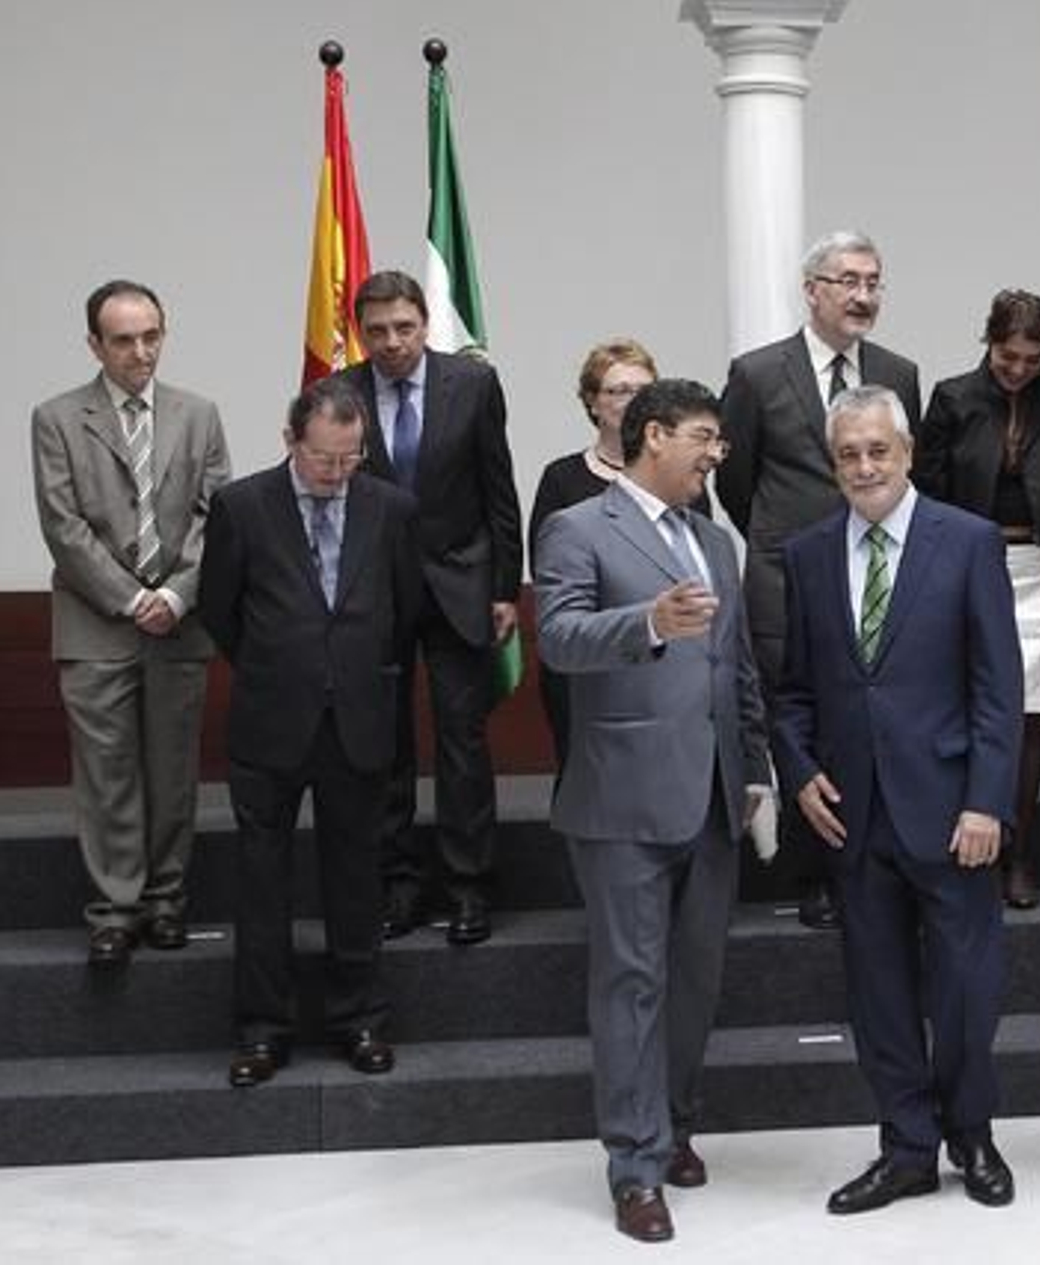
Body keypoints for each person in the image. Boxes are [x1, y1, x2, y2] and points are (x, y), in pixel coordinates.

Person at [775, 386, 1023, 1217]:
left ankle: (973, 1134)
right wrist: (800, 767)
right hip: (854, 812)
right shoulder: (807, 554)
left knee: (964, 991)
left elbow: (998, 687)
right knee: (877, 996)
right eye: (848, 454)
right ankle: (906, 1147)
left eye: (878, 450)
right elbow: (795, 688)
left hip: (954, 812)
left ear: (908, 452)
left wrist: (988, 800)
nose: (865, 467)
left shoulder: (968, 542)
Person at [534, 379, 770, 1245]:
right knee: (631, 981)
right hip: (621, 798)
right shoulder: (577, 527)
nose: (718, 454)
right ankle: (634, 1165)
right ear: (657, 435)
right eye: (706, 437)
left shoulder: (716, 539)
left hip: (714, 795)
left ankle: (671, 1125)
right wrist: (648, 622)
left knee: (695, 979)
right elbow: (557, 639)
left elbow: (736, 665)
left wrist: (758, 770)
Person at [200, 379, 421, 1089]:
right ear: (291, 439)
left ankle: (361, 1018)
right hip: (272, 716)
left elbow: (404, 608)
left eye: (350, 458)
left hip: (358, 717)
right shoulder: (242, 506)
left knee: (356, 875)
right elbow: (219, 609)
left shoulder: (390, 507)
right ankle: (263, 1029)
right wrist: (285, 664)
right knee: (263, 880)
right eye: (324, 458)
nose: (336, 472)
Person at [717, 229, 921, 932]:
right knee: (799, 722)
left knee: (861, 716)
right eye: (849, 281)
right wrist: (787, 544)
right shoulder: (758, 373)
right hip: (788, 578)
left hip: (877, 576)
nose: (863, 295)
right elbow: (736, 482)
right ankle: (816, 872)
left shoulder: (899, 371)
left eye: (873, 281)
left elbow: (901, 476)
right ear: (813, 290)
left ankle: (871, 859)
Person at [31, 279, 230, 966]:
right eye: (123, 339)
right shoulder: (56, 418)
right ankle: (116, 908)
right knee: (108, 771)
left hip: (179, 620)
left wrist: (175, 594)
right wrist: (128, 597)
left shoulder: (198, 414)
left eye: (151, 335)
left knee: (171, 768)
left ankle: (167, 900)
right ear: (95, 344)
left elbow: (215, 516)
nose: (140, 351)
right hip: (95, 622)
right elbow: (64, 526)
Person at [336, 270, 524, 946]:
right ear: (361, 331)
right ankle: (396, 886)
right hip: (373, 594)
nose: (392, 342)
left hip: (461, 582)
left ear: (425, 323)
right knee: (382, 747)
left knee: (461, 741)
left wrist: (506, 585)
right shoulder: (339, 393)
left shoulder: (472, 384)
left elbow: (498, 488)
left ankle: (469, 886)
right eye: (378, 330)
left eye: (404, 327)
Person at [914, 288, 1040, 908]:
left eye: (1032, 358)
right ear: (989, 343)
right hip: (970, 564)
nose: (1019, 369)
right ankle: (970, 837)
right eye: (1008, 357)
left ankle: (1018, 853)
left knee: (1028, 714)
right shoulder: (953, 396)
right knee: (966, 705)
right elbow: (928, 489)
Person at [527, 338, 707, 767]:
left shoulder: (683, 478)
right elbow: (551, 578)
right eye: (618, 390)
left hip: (668, 659)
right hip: (589, 663)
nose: (633, 402)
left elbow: (699, 566)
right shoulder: (562, 479)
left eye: (643, 391)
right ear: (592, 402)